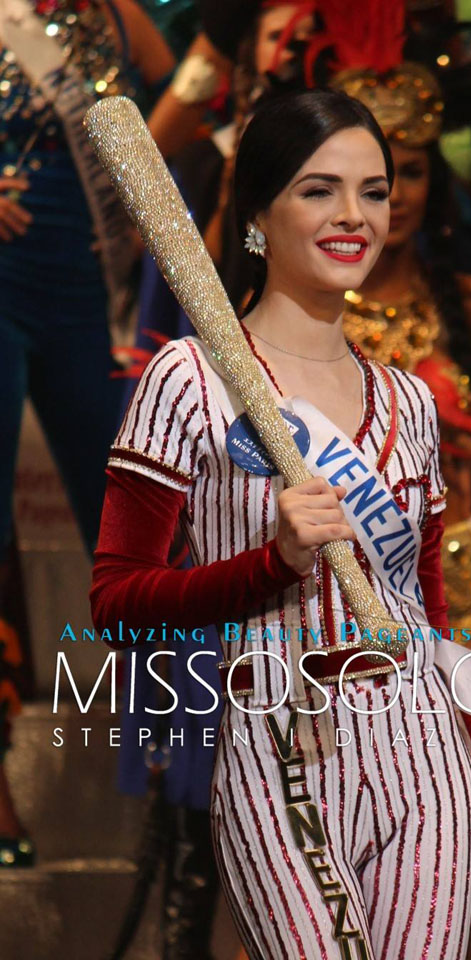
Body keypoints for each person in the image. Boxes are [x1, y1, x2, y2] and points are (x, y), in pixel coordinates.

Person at [91, 89, 471, 959]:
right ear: (258, 213)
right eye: (318, 190)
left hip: (423, 756)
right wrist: (273, 563)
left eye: (374, 191)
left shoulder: (410, 403)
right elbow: (116, 603)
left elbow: (431, 631)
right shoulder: (187, 381)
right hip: (274, 743)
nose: (356, 217)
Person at [0, 0, 173, 864]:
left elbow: (186, 113)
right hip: (2, 278)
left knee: (132, 518)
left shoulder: (120, 14)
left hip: (87, 299)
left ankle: (171, 759)